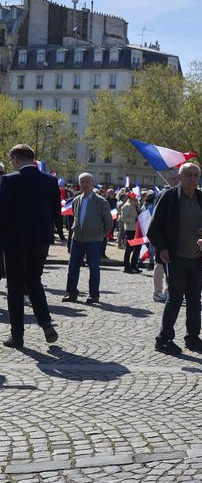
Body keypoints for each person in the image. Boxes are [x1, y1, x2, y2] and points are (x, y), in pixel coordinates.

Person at [147, 162, 202, 355]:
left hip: (196, 258)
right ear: (180, 177)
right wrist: (162, 249)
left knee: (195, 300)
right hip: (175, 257)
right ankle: (163, 339)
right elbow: (154, 227)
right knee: (174, 299)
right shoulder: (168, 197)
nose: (192, 179)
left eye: (195, 175)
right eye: (188, 175)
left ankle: (192, 338)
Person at [0, 144, 61, 348]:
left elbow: (3, 212)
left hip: (15, 240)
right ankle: (45, 323)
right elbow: (56, 212)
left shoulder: (9, 180)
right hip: (41, 240)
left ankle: (17, 335)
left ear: (16, 158)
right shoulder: (50, 181)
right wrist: (58, 234)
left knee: (15, 288)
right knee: (34, 282)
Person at [64, 172, 113, 304]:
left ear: (93, 184)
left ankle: (94, 295)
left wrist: (99, 235)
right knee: (72, 267)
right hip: (77, 239)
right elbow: (75, 216)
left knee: (94, 268)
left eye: (87, 182)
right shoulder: (76, 200)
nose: (84, 185)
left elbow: (108, 224)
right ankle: (71, 293)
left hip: (94, 241)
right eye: (82, 182)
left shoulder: (101, 202)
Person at [120, 192, 141, 273]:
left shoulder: (135, 205)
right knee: (129, 249)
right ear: (131, 198)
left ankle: (134, 265)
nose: (136, 198)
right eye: (135, 197)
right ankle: (126, 266)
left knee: (137, 248)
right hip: (130, 230)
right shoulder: (127, 206)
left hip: (137, 230)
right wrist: (134, 220)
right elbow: (123, 218)